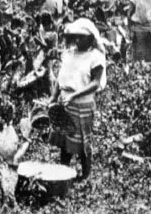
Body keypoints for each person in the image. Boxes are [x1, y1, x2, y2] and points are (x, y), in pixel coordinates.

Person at [48, 18, 107, 180]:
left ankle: (85, 176)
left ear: (90, 38)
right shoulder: (69, 54)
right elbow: (61, 77)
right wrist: (53, 97)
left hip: (82, 105)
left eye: (82, 37)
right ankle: (63, 174)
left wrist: (75, 95)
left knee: (82, 144)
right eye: (76, 37)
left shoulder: (95, 57)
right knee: (65, 142)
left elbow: (95, 83)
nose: (78, 40)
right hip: (65, 103)